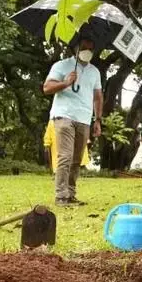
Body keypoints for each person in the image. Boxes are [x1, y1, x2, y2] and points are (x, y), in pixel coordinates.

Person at [43, 38, 103, 206]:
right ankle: (61, 196)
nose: (87, 51)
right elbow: (47, 88)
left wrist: (98, 119)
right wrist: (66, 82)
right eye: (84, 47)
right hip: (64, 115)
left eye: (91, 48)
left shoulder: (95, 72)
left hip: (84, 118)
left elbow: (98, 97)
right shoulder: (61, 66)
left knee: (77, 159)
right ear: (75, 49)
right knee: (65, 156)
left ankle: (70, 193)